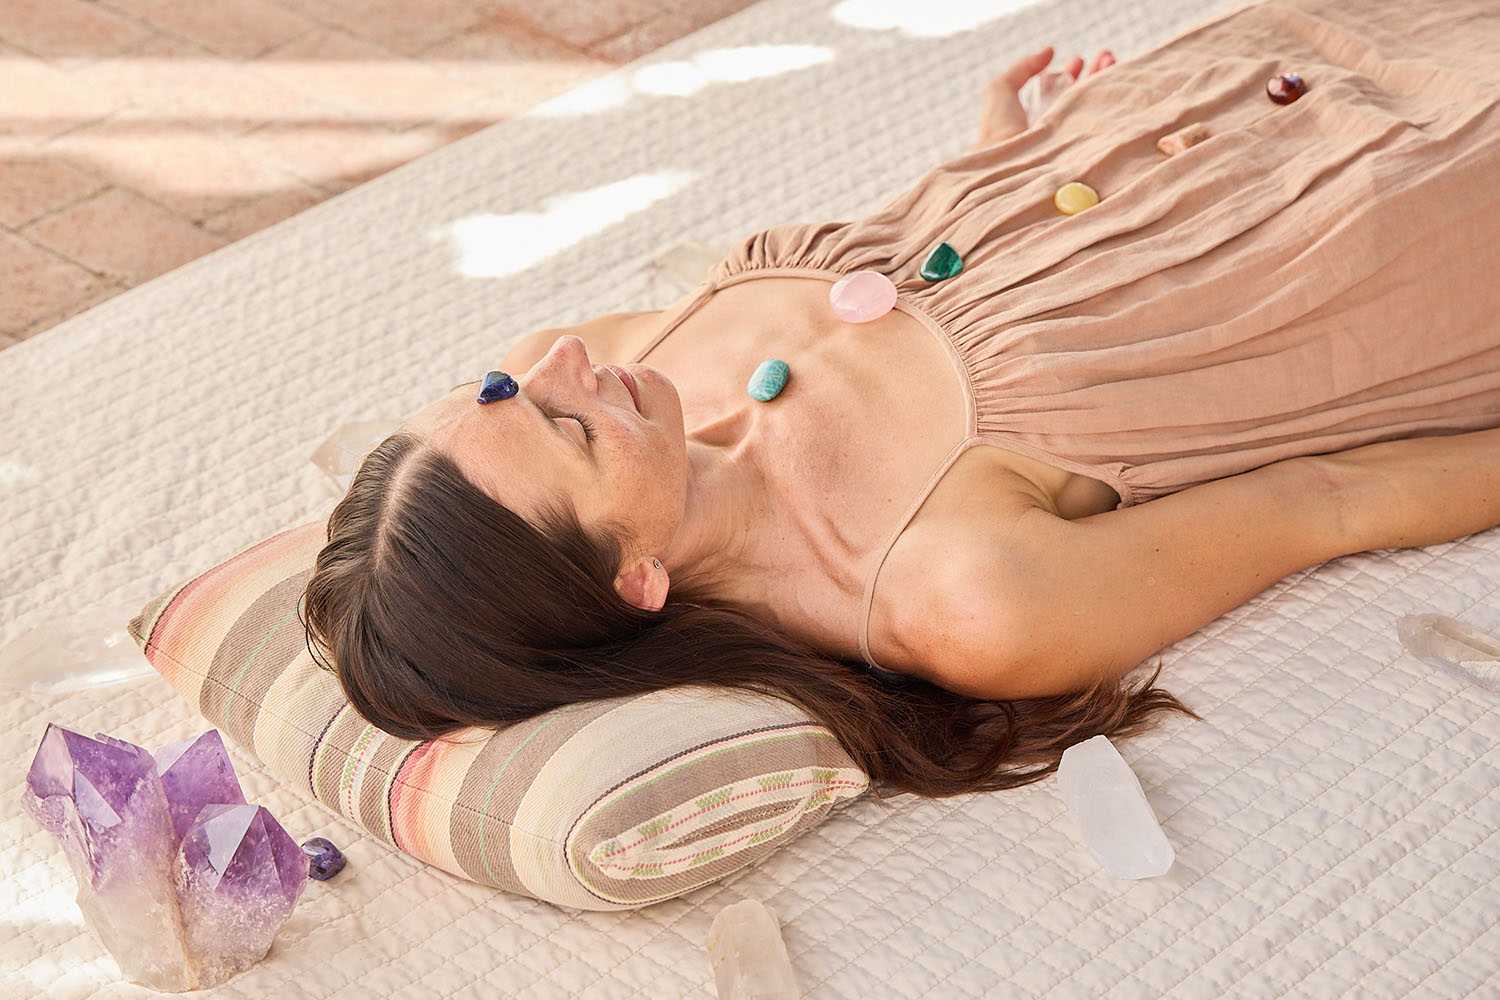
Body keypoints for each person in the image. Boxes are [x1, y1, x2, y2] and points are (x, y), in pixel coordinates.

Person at [303, 0, 1500, 799]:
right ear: (637, 582)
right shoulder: (955, 596)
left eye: (502, 388)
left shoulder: (621, 365)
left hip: (1214, 95)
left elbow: (902, 284)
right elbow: (1329, 501)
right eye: (567, 427)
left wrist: (1002, 173)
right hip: (1402, 222)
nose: (563, 358)